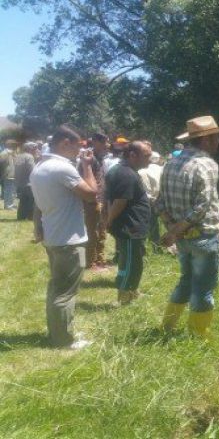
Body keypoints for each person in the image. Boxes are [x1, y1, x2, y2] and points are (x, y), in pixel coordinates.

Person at [157, 116, 219, 339]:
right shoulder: (206, 164)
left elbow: (159, 202)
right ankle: (199, 336)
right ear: (205, 140)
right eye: (216, 138)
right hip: (204, 235)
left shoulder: (170, 162)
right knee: (203, 287)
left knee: (186, 280)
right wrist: (175, 230)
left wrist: (171, 228)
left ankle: (167, 327)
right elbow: (202, 207)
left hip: (183, 239)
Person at [30, 125, 98, 349]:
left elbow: (38, 206)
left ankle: (57, 333)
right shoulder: (62, 168)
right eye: (77, 146)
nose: (80, 151)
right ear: (64, 143)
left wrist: (37, 228)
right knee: (66, 292)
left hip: (54, 235)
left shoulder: (40, 167)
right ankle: (63, 341)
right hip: (69, 238)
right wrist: (87, 166)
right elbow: (91, 194)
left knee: (57, 289)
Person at [105, 141, 154, 306]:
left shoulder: (122, 170)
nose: (150, 159)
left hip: (130, 226)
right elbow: (119, 202)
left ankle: (130, 291)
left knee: (128, 261)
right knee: (132, 263)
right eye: (146, 155)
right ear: (133, 155)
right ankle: (125, 298)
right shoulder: (126, 174)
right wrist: (108, 220)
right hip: (130, 226)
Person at [79, 133, 110, 269]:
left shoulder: (100, 158)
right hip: (92, 201)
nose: (108, 145)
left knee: (101, 230)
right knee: (92, 231)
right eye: (105, 142)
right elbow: (86, 180)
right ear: (96, 142)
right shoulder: (88, 159)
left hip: (102, 199)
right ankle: (90, 261)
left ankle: (99, 259)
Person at [138, 151, 164, 253]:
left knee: (146, 226)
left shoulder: (141, 171)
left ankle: (143, 249)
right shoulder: (163, 169)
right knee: (158, 226)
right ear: (158, 159)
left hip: (148, 201)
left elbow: (146, 190)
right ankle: (157, 248)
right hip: (162, 201)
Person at [14, 142, 38, 220]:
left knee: (23, 201)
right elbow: (32, 170)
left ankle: (21, 217)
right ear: (30, 149)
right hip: (29, 183)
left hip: (20, 182)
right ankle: (30, 217)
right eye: (35, 149)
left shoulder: (19, 156)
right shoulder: (29, 157)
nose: (36, 150)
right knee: (31, 201)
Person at [1, 139, 17, 209]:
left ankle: (10, 204)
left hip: (12, 174)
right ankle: (8, 205)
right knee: (9, 190)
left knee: (12, 190)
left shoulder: (12, 153)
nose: (15, 146)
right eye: (13, 144)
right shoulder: (4, 153)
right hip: (8, 174)